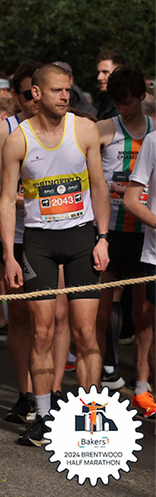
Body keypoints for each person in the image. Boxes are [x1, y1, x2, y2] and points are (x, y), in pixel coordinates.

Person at [0, 64, 110, 446]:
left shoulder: (85, 129)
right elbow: (4, 201)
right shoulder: (18, 139)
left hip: (81, 239)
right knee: (42, 332)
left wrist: (103, 238)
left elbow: (99, 187)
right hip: (39, 243)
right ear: (35, 93)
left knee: (85, 334)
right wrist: (9, 257)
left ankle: (92, 417)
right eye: (57, 90)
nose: (65, 96)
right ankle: (44, 417)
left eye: (68, 90)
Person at [0, 61, 42, 423]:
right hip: (19, 232)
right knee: (21, 317)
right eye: (26, 95)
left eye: (38, 93)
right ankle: (26, 394)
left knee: (56, 318)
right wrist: (20, 197)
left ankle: (50, 393)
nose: (33, 101)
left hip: (57, 232)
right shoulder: (5, 129)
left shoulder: (68, 128)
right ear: (16, 97)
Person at [96, 65, 154, 406]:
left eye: (128, 102)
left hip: (144, 233)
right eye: (117, 102)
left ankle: (142, 380)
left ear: (142, 98)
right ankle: (107, 364)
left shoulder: (154, 132)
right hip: (111, 229)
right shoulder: (103, 129)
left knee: (143, 312)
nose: (122, 108)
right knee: (103, 306)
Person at [123, 126, 156, 418]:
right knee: (148, 323)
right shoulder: (154, 141)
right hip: (155, 256)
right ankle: (145, 389)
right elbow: (131, 199)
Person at [97, 52, 126, 120]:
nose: (99, 77)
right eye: (98, 73)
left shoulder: (127, 103)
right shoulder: (104, 101)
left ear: (118, 72)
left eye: (105, 72)